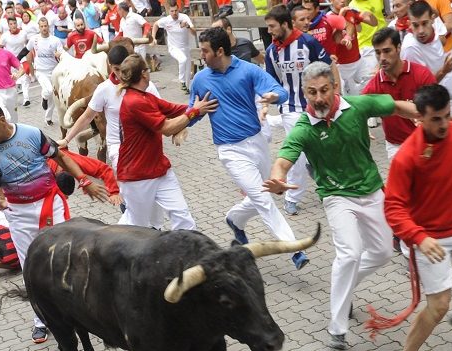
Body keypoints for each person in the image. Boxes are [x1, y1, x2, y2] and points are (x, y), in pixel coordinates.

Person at [263, 61, 419, 350]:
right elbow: (284, 158)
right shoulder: (304, 128)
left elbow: (396, 106)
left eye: (324, 90)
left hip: (372, 191)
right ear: (304, 93)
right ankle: (337, 328)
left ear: (334, 87)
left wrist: (427, 115)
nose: (319, 98)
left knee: (384, 252)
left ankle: (343, 290)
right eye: (312, 92)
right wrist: (277, 179)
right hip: (336, 196)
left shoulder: (356, 106)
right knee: (349, 254)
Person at [0, 101, 108, 343]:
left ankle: (84, 303)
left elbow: (62, 157)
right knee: (31, 266)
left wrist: (83, 180)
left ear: (2, 119)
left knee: (69, 253)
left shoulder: (32, 134)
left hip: (49, 202)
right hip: (18, 212)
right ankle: (41, 318)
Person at [189, 27, 309, 270]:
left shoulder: (248, 70)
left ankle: (234, 220)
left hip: (257, 142)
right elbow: (191, 114)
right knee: (264, 199)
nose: (201, 55)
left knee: (259, 195)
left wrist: (273, 97)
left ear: (219, 51)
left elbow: (281, 92)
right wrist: (194, 113)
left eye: (205, 51)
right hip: (230, 150)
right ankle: (293, 248)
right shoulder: (200, 79)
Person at [382, 84, 452, 351]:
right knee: (438, 305)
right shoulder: (407, 156)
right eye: (436, 119)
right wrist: (419, 237)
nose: (444, 124)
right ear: (419, 118)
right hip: (430, 241)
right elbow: (393, 209)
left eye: (447, 116)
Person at [115, 53, 209, 230]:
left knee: (183, 218)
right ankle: (107, 250)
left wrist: (204, 105)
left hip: (159, 171)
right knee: (136, 227)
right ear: (144, 73)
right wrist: (194, 112)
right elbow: (166, 128)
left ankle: (189, 254)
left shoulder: (145, 97)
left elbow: (174, 109)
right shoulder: (134, 101)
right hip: (137, 177)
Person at [264, 6, 333, 216]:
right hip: (290, 109)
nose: (269, 31)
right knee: (298, 157)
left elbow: (327, 67)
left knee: (321, 149)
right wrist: (271, 100)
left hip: (316, 106)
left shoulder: (308, 42)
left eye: (272, 26)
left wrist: (334, 94)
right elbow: (272, 81)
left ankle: (322, 182)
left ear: (285, 24)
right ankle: (292, 198)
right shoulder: (271, 52)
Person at [363, 27, 436, 159]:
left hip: (425, 144)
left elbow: (437, 108)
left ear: (398, 48)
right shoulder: (375, 85)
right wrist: (361, 128)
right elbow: (359, 108)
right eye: (378, 53)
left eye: (387, 51)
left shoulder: (422, 74)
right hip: (395, 147)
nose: (382, 58)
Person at [402, 1, 452, 108]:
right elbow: (423, 88)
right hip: (427, 102)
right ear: (409, 24)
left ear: (433, 20)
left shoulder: (436, 30)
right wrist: (444, 71)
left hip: (443, 86)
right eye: (415, 25)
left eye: (424, 23)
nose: (421, 31)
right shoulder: (410, 48)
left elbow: (443, 32)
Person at [26, 17, 64, 126]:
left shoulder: (55, 40)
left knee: (53, 98)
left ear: (48, 26)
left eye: (45, 26)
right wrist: (17, 58)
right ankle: (44, 98)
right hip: (41, 71)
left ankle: (48, 118)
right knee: (48, 91)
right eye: (41, 26)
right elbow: (26, 50)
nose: (44, 28)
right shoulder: (34, 39)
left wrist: (59, 55)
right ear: (39, 27)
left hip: (54, 71)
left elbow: (62, 54)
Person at [152, 4, 196, 91]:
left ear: (178, 9)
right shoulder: (166, 20)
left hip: (185, 48)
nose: (174, 13)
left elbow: (194, 33)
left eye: (176, 11)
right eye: (172, 11)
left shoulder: (184, 17)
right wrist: (153, 38)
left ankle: (187, 87)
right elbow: (155, 24)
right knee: (182, 60)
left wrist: (187, 26)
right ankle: (181, 81)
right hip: (173, 47)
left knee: (187, 71)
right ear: (169, 11)